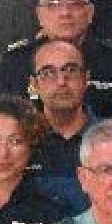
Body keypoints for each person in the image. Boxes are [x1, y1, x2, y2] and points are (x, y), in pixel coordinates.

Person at [0, 0, 112, 118]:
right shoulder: (15, 62)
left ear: (90, 13)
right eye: (53, 5)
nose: (65, 13)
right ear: (39, 15)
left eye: (74, 4)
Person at [26, 40, 93, 214]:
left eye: (70, 70)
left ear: (86, 79)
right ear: (34, 85)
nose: (61, 81)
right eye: (48, 73)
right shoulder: (19, 142)